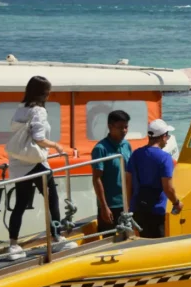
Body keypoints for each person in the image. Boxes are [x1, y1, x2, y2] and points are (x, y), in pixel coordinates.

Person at [7, 76, 77, 260]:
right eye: (47, 92)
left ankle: (13, 245)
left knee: (20, 203)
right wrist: (56, 145)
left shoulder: (21, 108)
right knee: (51, 199)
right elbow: (39, 138)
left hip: (18, 163)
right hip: (35, 163)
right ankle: (57, 236)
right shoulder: (38, 111)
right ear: (43, 93)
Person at [126, 119, 183, 238]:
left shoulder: (136, 154)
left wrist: (129, 207)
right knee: (156, 245)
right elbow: (168, 188)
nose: (167, 140)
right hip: (155, 210)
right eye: (167, 136)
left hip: (137, 209)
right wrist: (176, 203)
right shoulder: (165, 158)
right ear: (163, 136)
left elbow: (128, 182)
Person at [91, 110, 132, 234]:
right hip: (110, 206)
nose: (124, 130)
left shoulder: (127, 145)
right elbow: (97, 178)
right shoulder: (100, 149)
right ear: (110, 126)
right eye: (120, 127)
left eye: (126, 127)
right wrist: (104, 207)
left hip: (126, 203)